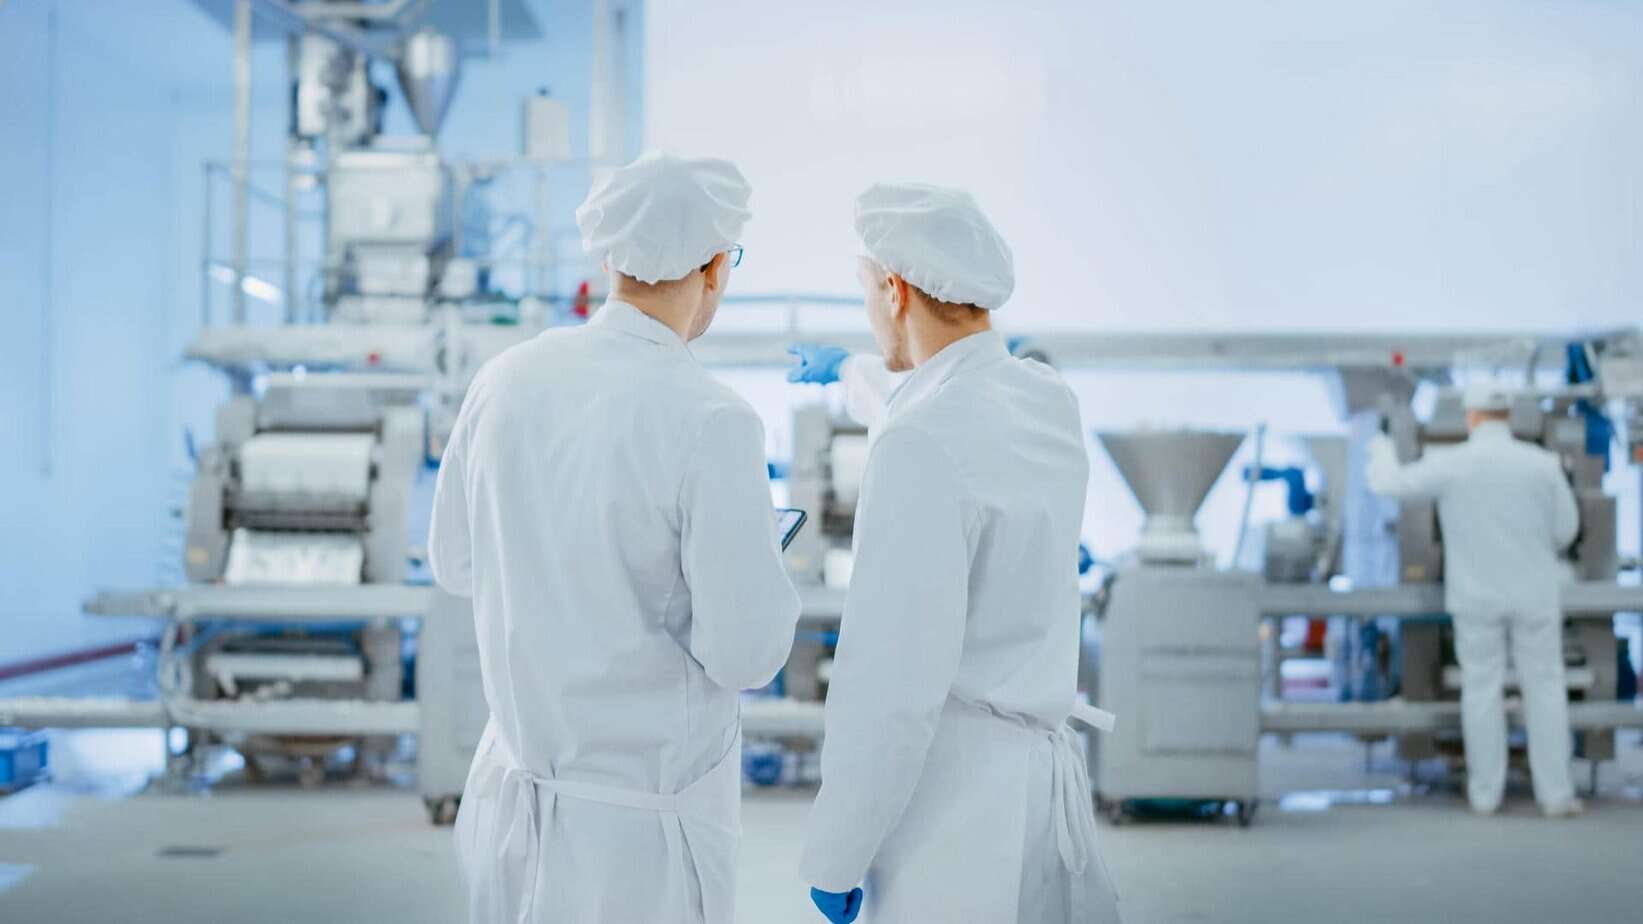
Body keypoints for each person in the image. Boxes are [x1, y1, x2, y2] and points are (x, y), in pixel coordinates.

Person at [428, 152, 802, 923]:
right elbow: (747, 654)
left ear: (608, 258)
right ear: (715, 267)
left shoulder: (504, 379)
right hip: (636, 843)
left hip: (508, 806)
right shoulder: (711, 417)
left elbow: (454, 564)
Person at [794, 183, 1120, 923]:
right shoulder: (1044, 400)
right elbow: (938, 407)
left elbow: (892, 683)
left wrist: (837, 850)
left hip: (953, 813)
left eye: (866, 292)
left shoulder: (918, 442)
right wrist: (847, 370)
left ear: (895, 289)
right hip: (1036, 794)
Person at [1368, 384, 1582, 816]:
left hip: (1476, 596)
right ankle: (1555, 795)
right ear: (1509, 416)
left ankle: (1486, 794)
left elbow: (1389, 484)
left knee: (1481, 690)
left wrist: (1381, 444)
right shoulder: (1541, 464)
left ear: (1472, 416)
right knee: (1544, 687)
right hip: (1534, 593)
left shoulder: (1454, 463)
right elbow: (1566, 531)